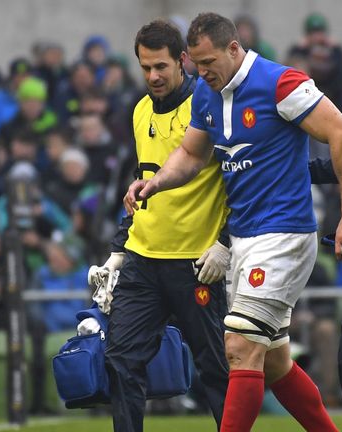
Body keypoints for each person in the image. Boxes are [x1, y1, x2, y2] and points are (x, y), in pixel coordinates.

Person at [126, 12, 342, 432]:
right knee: (273, 362)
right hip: (244, 238)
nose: (202, 73)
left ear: (234, 49)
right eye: (196, 65)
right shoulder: (207, 94)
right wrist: (156, 182)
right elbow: (193, 154)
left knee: (237, 347)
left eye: (209, 63)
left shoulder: (281, 83)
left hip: (284, 234)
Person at [97, 20, 230, 432]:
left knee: (216, 370)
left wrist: (225, 243)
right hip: (143, 261)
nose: (153, 76)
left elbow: (239, 179)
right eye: (146, 68)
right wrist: (119, 248)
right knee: (121, 360)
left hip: (195, 264)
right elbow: (143, 182)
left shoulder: (207, 106)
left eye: (161, 67)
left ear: (183, 61)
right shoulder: (139, 111)